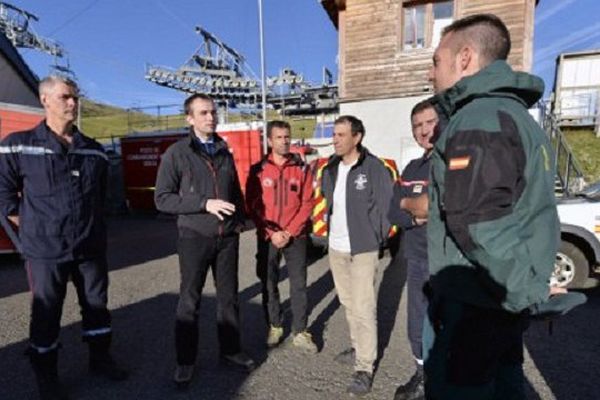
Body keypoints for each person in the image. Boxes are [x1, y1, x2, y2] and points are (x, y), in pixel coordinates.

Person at [422, 14, 566, 399]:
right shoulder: (513, 115)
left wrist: (526, 290)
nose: (430, 72)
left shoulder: (480, 118)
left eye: (436, 60)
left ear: (464, 58)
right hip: (497, 301)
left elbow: (479, 222)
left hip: (475, 303)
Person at [0, 76, 128, 400]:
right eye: (65, 97)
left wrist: (94, 228)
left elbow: (102, 198)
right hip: (45, 250)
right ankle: (47, 376)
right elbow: (3, 195)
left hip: (89, 247)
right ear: (44, 100)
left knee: (97, 306)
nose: (73, 103)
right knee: (47, 312)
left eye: (75, 98)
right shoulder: (18, 145)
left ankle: (100, 359)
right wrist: (30, 226)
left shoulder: (94, 152)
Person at [154, 93, 255, 388]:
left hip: (227, 239)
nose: (210, 117)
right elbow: (162, 199)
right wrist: (204, 203)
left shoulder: (224, 150)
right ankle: (185, 362)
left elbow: (234, 190)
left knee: (229, 299)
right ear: (190, 118)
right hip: (194, 237)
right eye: (203, 113)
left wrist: (238, 223)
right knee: (190, 301)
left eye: (212, 112)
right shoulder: (177, 153)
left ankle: (231, 350)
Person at [320, 115, 395, 396]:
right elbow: (329, 202)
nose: (335, 140)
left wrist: (375, 237)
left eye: (341, 135)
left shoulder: (374, 168)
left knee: (364, 308)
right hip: (336, 248)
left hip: (363, 248)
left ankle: (365, 366)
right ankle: (358, 346)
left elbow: (387, 208)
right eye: (334, 134)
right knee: (349, 304)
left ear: (357, 137)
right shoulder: (331, 167)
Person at [245, 120, 317, 352]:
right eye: (279, 137)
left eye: (287, 137)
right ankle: (275, 324)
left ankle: (300, 331)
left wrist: (289, 231)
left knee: (299, 284)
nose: (284, 141)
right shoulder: (258, 170)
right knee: (269, 282)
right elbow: (252, 204)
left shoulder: (301, 168)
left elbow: (308, 203)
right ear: (269, 141)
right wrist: (271, 232)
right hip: (268, 237)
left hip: (296, 236)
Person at [387, 100, 438, 400]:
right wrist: (414, 211)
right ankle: (422, 375)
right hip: (417, 259)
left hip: (447, 261)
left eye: (429, 122)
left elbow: (445, 208)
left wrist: (424, 209)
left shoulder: (451, 162)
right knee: (417, 323)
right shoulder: (412, 168)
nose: (423, 130)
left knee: (448, 325)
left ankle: (444, 380)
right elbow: (393, 210)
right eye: (417, 126)